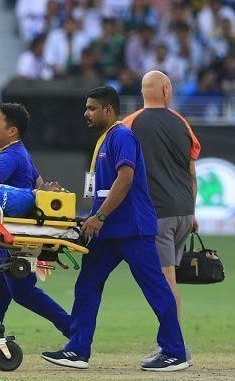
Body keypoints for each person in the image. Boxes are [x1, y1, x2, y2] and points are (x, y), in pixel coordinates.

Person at [41, 86, 189, 372]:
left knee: (156, 289)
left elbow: (125, 179)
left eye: (92, 108)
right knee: (87, 285)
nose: (86, 113)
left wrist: (100, 217)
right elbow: (100, 188)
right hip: (108, 233)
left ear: (108, 110)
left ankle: (175, 352)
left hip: (131, 229)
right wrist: (87, 217)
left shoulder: (122, 136)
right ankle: (78, 350)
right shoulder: (104, 141)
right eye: (86, 108)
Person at [0, 102, 72, 369]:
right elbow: (39, 185)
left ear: (13, 130)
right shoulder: (20, 153)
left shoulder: (8, 157)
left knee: (15, 291)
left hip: (8, 237)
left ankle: (72, 327)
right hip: (14, 237)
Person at [122, 71, 201, 365]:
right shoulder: (182, 123)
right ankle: (172, 344)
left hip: (157, 214)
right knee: (169, 279)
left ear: (144, 92)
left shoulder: (131, 123)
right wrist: (192, 211)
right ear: (166, 90)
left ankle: (174, 349)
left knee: (165, 279)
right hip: (182, 212)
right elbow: (191, 172)